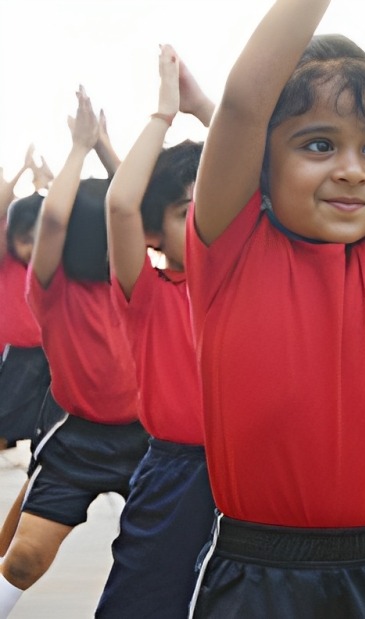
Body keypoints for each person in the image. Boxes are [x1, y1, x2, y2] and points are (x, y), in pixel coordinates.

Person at [185, 0, 365, 616]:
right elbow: (245, 104)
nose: (353, 171)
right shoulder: (230, 249)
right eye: (319, 144)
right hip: (259, 573)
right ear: (262, 163)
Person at [0, 86, 149, 618]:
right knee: (23, 560)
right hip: (77, 439)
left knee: (159, 560)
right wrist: (79, 149)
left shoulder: (136, 281)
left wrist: (105, 148)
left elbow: (137, 201)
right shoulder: (51, 288)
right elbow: (56, 221)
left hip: (149, 441)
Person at [95, 45, 217, 618]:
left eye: (211, 208)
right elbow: (121, 203)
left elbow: (268, 175)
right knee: (143, 603)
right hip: (176, 474)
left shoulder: (247, 286)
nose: (203, 222)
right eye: (185, 211)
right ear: (153, 235)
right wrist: (167, 113)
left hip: (251, 470)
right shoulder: (147, 292)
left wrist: (209, 111)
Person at [0, 146, 50, 456]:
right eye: (25, 239)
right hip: (15, 357)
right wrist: (21, 169)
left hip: (47, 356)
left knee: (43, 441)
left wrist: (45, 185)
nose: (32, 245)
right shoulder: (6, 256)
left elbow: (57, 218)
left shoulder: (44, 260)